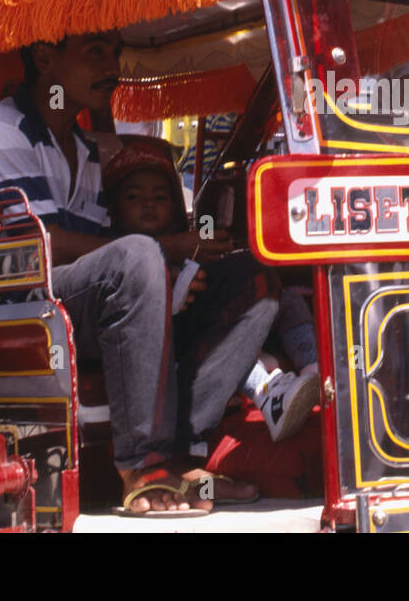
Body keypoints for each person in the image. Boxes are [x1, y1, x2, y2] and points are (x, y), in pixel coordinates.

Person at [0, 31, 275, 516]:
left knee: (250, 279)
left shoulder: (85, 150)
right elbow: (42, 246)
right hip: (24, 304)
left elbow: (102, 252)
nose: (113, 67)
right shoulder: (2, 130)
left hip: (84, 302)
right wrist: (163, 250)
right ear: (45, 57)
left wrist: (177, 270)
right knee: (139, 256)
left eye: (114, 53)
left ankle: (184, 456)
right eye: (95, 53)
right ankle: (142, 467)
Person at [103, 135, 320, 442]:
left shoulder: (189, 240)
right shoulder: (117, 254)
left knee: (288, 299)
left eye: (161, 197)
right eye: (134, 197)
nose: (148, 204)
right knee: (231, 334)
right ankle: (269, 391)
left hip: (225, 319)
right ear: (113, 209)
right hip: (178, 341)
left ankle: (315, 367)